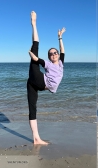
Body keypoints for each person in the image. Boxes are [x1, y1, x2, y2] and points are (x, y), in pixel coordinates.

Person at [27, 11, 65, 144]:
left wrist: (59, 37)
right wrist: (34, 57)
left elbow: (63, 50)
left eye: (55, 53)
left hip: (35, 84)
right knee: (35, 46)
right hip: (38, 79)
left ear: (58, 55)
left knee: (33, 108)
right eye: (51, 54)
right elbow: (39, 60)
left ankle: (36, 138)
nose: (54, 54)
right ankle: (34, 24)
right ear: (49, 57)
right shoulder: (48, 64)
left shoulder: (61, 64)